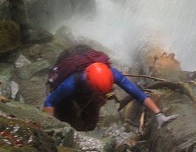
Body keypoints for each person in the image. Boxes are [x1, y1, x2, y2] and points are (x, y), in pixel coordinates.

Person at [43, 49, 176, 132]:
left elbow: (138, 93)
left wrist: (158, 114)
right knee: (64, 117)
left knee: (90, 125)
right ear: (89, 83)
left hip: (88, 88)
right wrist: (49, 127)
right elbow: (49, 102)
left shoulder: (111, 73)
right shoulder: (71, 84)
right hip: (74, 88)